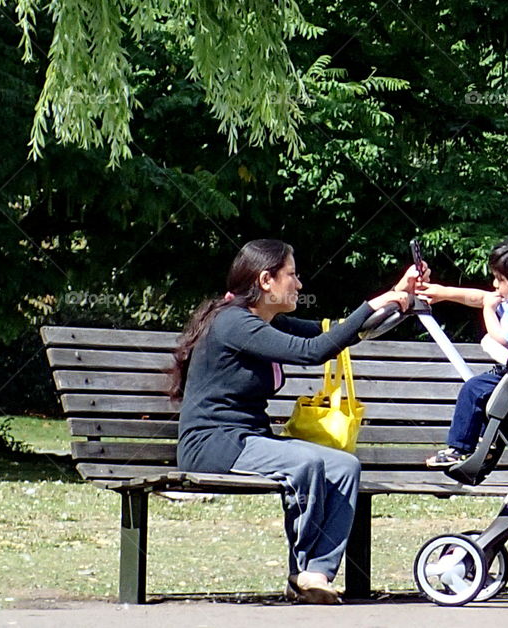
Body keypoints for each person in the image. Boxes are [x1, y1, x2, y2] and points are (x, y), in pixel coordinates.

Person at [171, 239, 422, 604]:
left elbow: (333, 332)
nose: (299, 284)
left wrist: (397, 297)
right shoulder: (233, 323)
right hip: (213, 445)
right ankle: (302, 574)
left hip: (248, 441)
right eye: (292, 275)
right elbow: (313, 353)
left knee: (343, 465)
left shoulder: (267, 319)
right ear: (266, 280)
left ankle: (317, 572)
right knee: (307, 463)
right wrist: (373, 303)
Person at [416, 234, 508, 466]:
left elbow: (502, 338)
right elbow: (481, 298)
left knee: (473, 390)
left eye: (499, 280)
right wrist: (442, 293)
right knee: (482, 394)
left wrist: (488, 312)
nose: (494, 285)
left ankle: (459, 449)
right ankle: (486, 443)